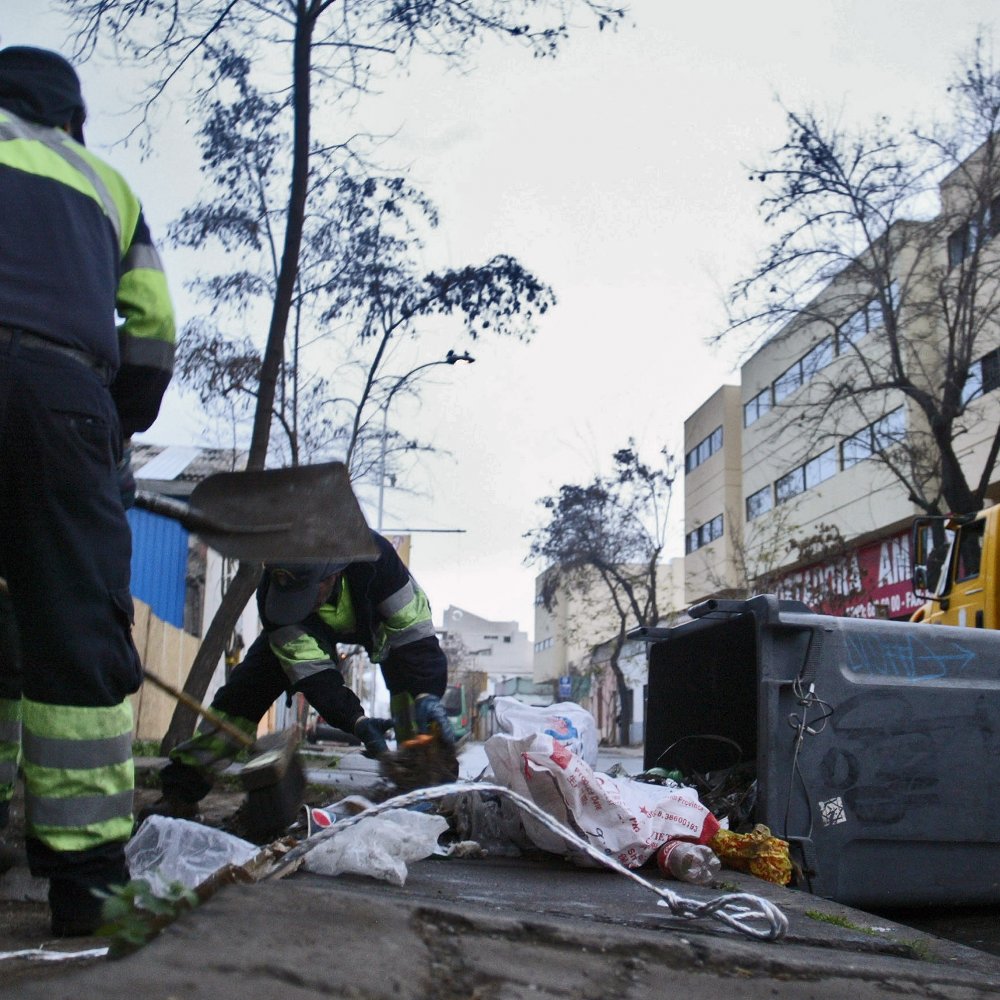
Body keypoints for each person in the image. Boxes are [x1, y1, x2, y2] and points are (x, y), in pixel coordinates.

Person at [0, 47, 176, 935]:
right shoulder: (107, 185)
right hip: (61, 401)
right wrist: (107, 429)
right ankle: (91, 893)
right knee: (71, 634)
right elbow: (150, 337)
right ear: (73, 119)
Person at [147, 531, 454, 815]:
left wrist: (428, 692)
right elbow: (316, 676)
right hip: (306, 634)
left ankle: (421, 791)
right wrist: (356, 721)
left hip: (381, 629)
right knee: (243, 694)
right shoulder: (276, 603)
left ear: (333, 575)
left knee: (415, 699)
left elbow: (415, 635)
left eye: (309, 592)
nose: (302, 602)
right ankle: (180, 793)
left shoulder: (379, 562)